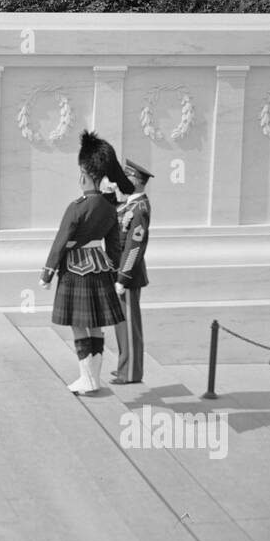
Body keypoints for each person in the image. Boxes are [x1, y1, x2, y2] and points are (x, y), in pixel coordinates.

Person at [39, 131, 134, 396]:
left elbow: (61, 241)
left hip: (75, 269)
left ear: (84, 174)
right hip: (101, 269)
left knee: (78, 324)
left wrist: (47, 274)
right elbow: (114, 245)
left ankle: (86, 378)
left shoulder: (76, 207)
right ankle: (94, 379)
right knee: (97, 325)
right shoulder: (108, 207)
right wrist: (117, 276)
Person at [112, 158, 152, 384]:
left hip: (128, 275)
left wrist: (123, 277)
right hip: (121, 272)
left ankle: (130, 372)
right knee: (121, 324)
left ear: (135, 181)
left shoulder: (140, 208)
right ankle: (124, 365)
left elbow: (135, 245)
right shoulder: (129, 205)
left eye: (126, 178)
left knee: (128, 326)